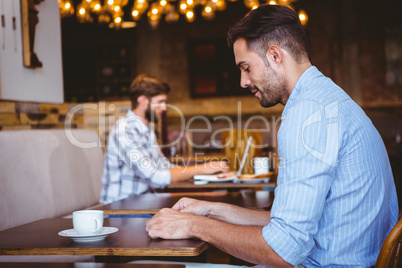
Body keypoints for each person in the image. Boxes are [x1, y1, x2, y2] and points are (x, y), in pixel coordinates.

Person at [145, 5, 399, 267]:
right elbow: (289, 222)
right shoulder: (327, 98)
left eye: (246, 67)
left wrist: (194, 225)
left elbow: (283, 250)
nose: (243, 81)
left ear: (275, 56)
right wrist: (211, 210)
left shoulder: (307, 114)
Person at [100, 74, 229, 204]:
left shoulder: (147, 129)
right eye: (160, 102)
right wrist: (202, 169)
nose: (164, 108)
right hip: (122, 209)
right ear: (143, 100)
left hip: (146, 202)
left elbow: (165, 167)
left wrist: (206, 174)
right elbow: (155, 177)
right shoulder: (124, 130)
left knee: (209, 202)